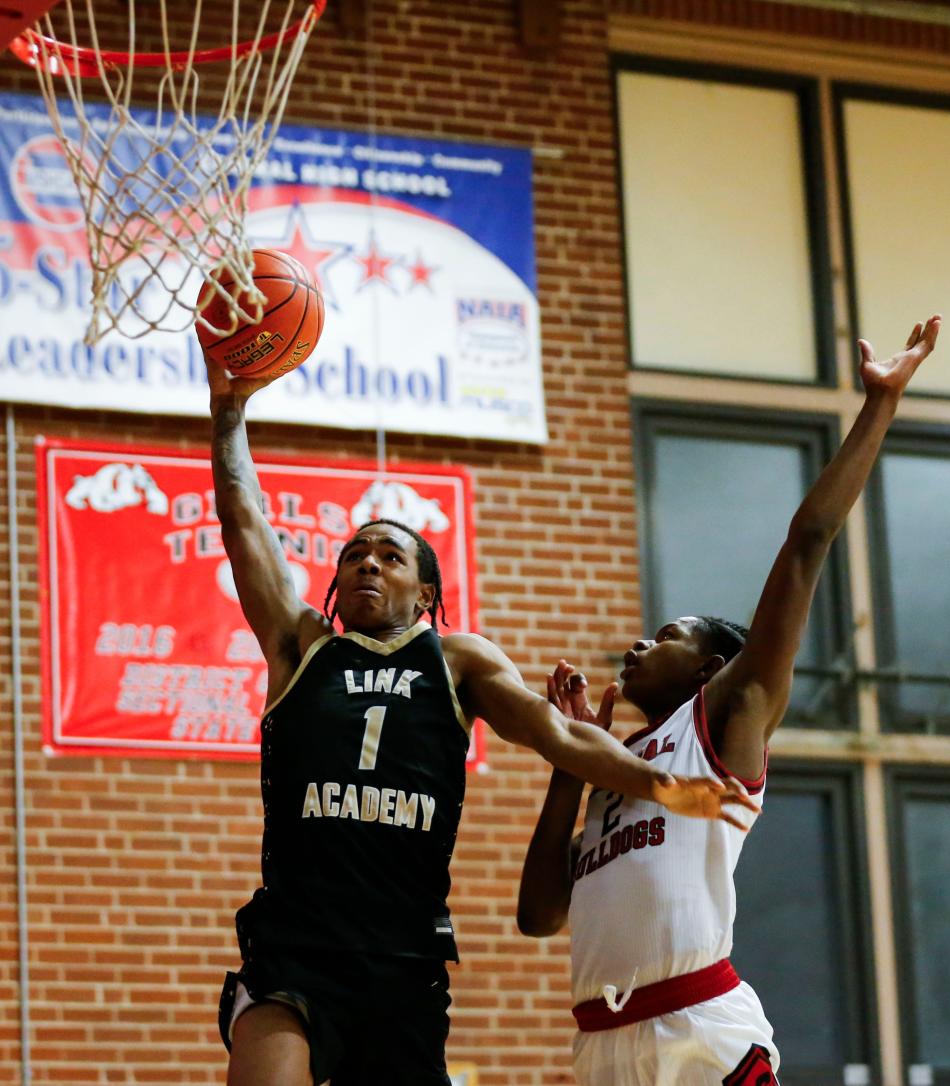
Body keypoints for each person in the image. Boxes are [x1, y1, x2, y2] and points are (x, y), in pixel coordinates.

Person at [201, 353, 757, 1086]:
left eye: (390, 556)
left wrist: (660, 784)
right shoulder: (301, 646)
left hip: (405, 957)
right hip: (296, 944)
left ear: (426, 591)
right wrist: (230, 413)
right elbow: (244, 521)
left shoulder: (458, 662)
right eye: (354, 554)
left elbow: (555, 735)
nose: (367, 563)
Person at [516, 316, 942, 1086]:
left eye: (665, 634)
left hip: (697, 1030)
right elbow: (540, 916)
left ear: (713, 667)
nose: (640, 645)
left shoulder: (726, 716)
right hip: (601, 1042)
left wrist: (878, 404)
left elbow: (807, 543)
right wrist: (569, 762)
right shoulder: (622, 766)